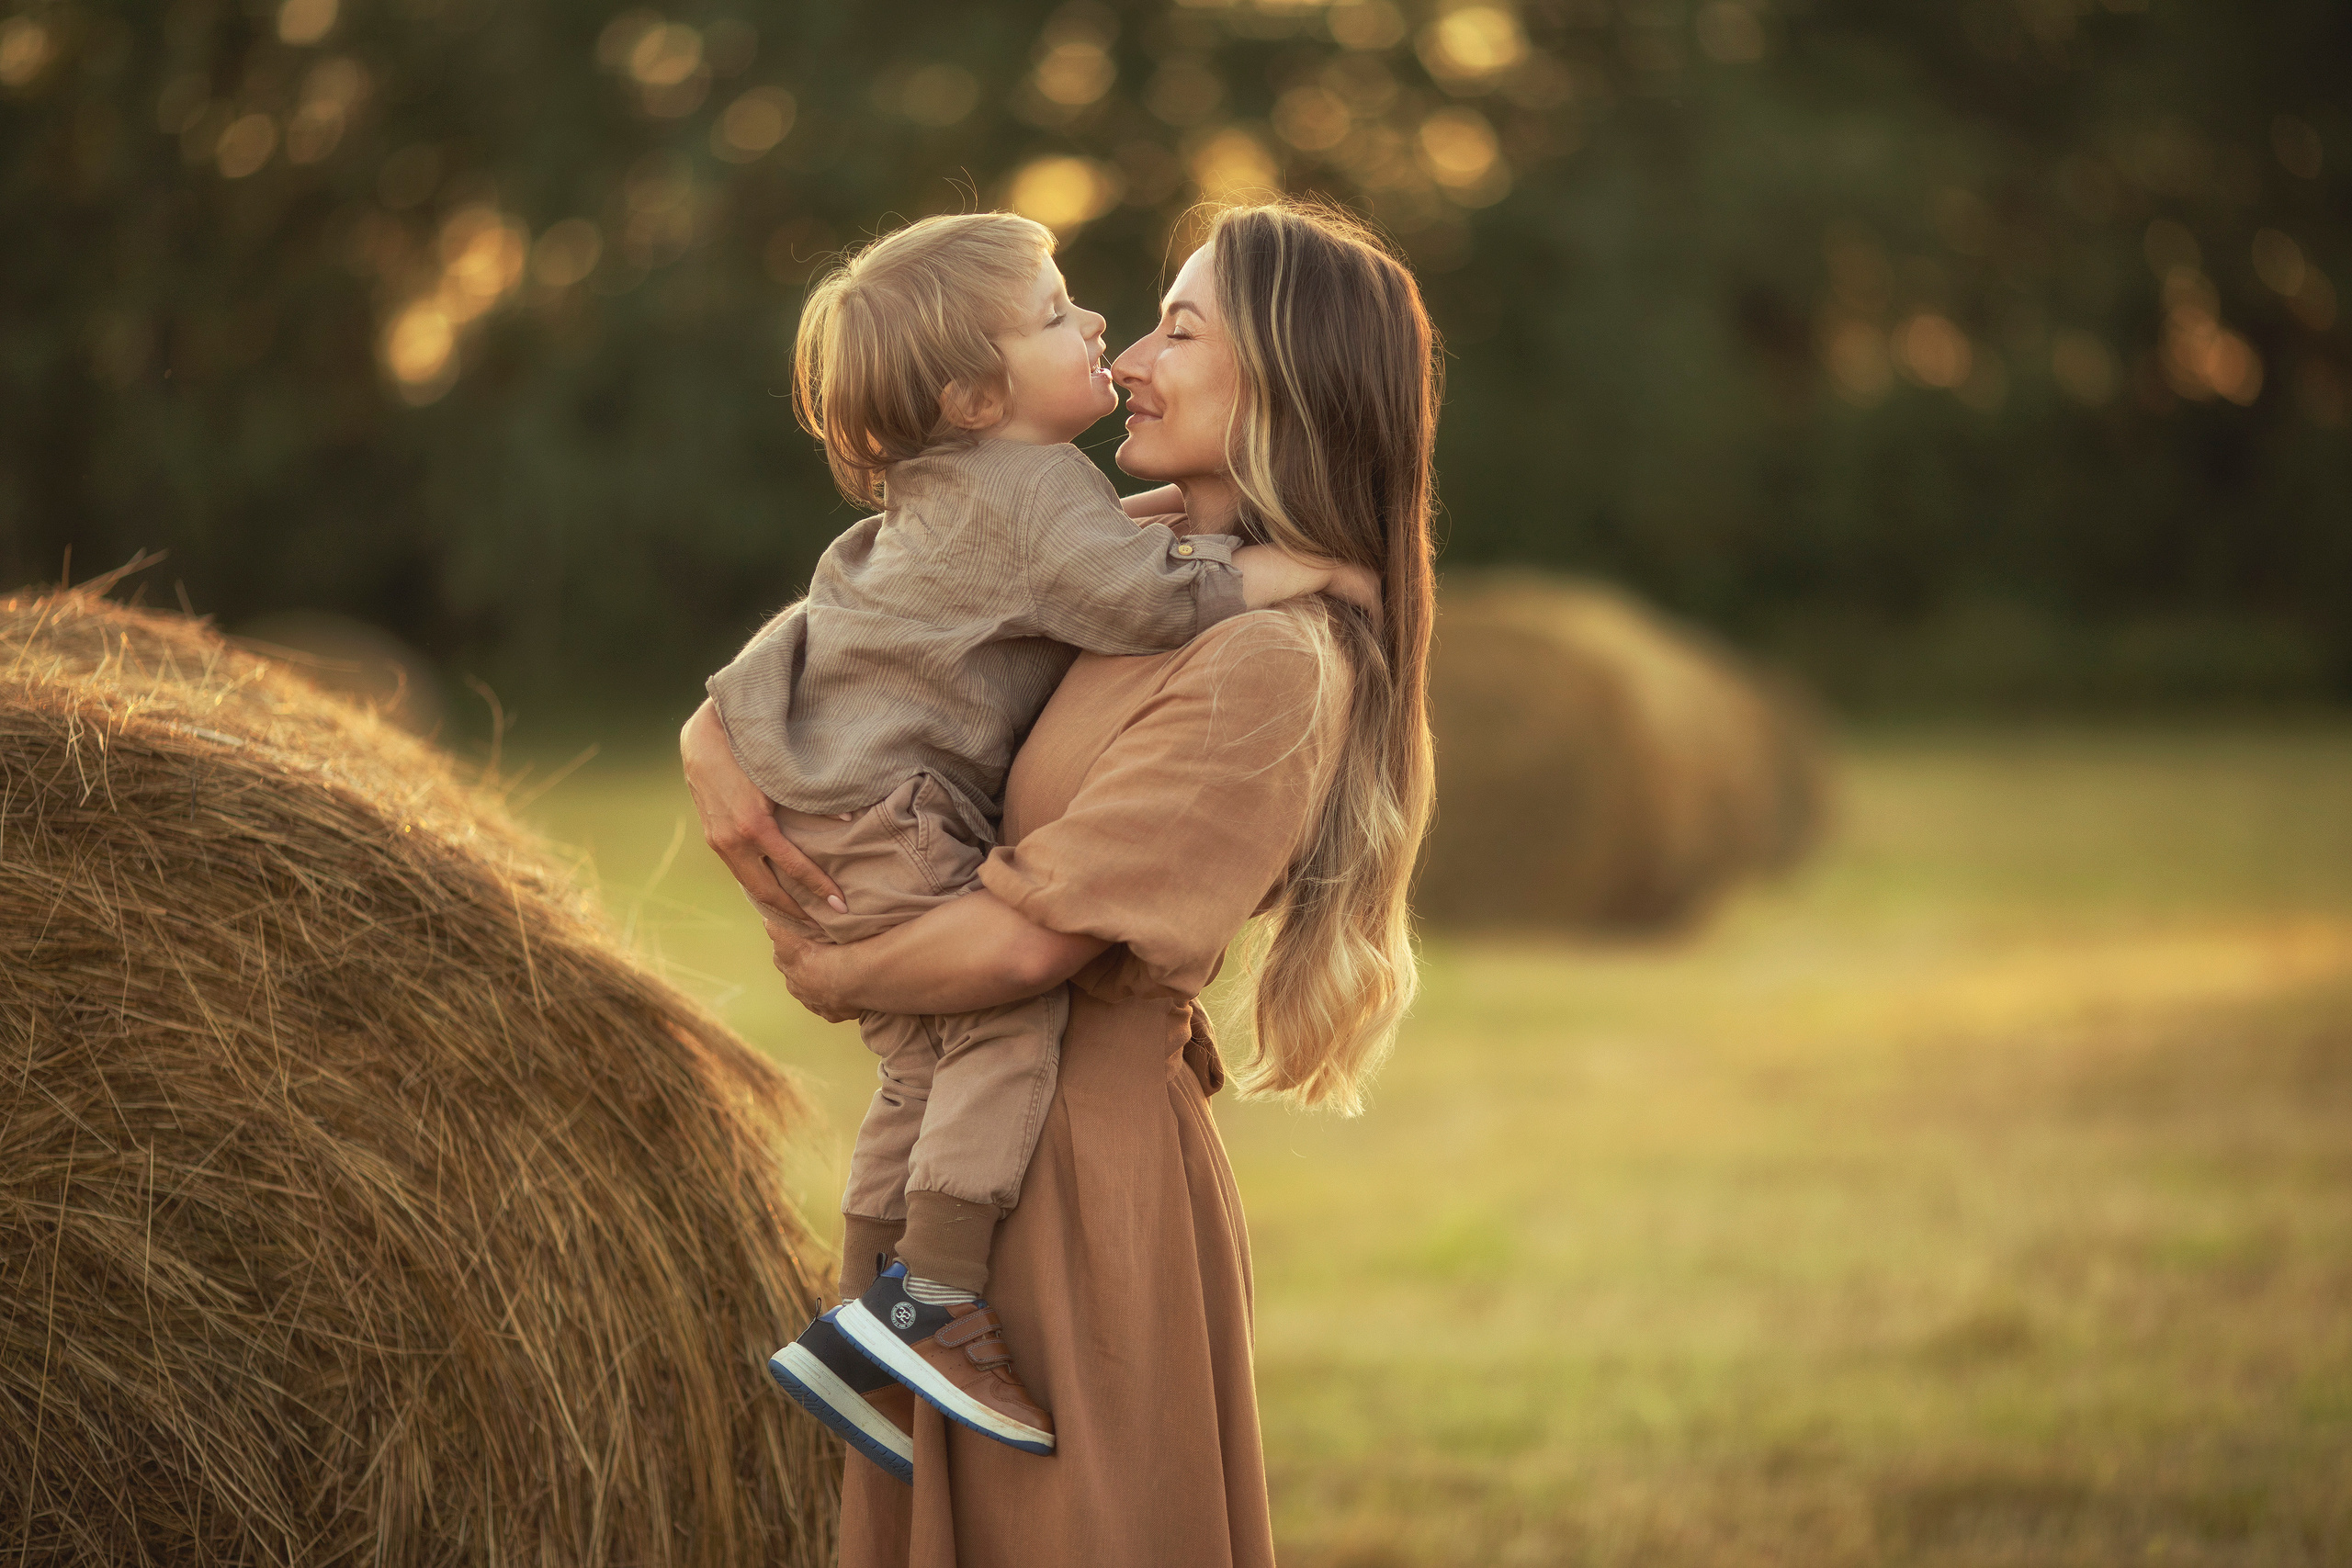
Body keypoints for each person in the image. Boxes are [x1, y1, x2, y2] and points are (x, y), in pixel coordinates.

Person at [682, 198, 1439, 1565]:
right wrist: (711, 726)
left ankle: (914, 1321)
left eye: (1178, 328)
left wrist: (827, 966)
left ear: (1282, 387)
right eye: (1125, 321)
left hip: (1080, 1198)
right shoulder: (1124, 558)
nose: (1129, 355)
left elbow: (1032, 953)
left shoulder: (1265, 659)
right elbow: (896, 593)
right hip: (974, 1175)